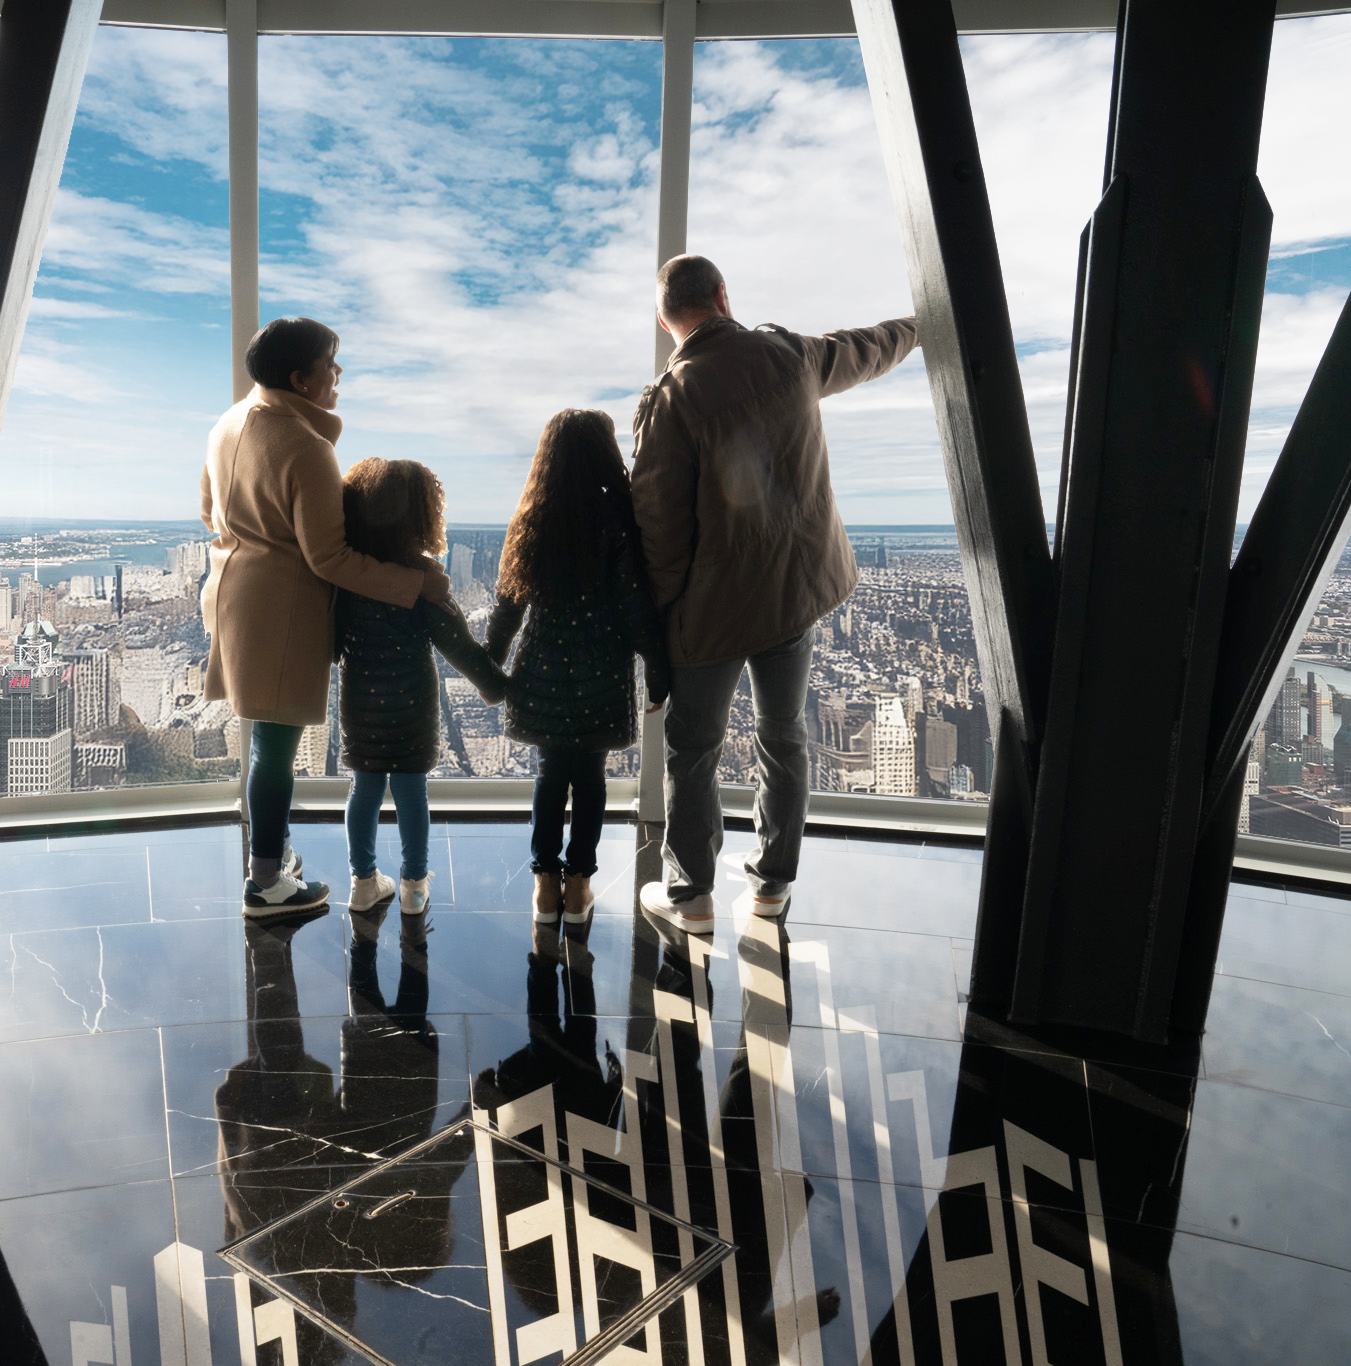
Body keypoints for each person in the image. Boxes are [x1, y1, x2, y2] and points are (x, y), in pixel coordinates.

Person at [632, 255, 917, 934]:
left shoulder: (673, 398)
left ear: (667, 320)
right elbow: (868, 349)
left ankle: (691, 895)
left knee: (693, 747)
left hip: (716, 608)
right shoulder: (789, 355)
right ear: (723, 296)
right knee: (783, 734)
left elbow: (660, 530)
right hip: (795, 594)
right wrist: (921, 325)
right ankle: (770, 886)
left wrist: (664, 622)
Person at [201, 317, 453, 916]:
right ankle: (266, 883)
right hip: (281, 614)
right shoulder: (307, 448)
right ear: (301, 379)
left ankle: (274, 851)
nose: (338, 376)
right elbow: (330, 557)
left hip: (233, 596)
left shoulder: (228, 422)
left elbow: (208, 507)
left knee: (265, 742)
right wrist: (414, 583)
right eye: (330, 366)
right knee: (277, 750)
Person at [487, 409, 670, 927]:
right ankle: (580, 883)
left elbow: (507, 605)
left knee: (550, 775)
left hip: (540, 668)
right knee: (589, 778)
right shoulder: (615, 521)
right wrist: (658, 669)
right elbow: (636, 608)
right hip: (599, 671)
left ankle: (545, 884)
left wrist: (490, 668)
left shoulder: (532, 517)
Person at [336, 457, 508, 917]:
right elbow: (459, 644)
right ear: (422, 515)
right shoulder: (422, 579)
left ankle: (362, 881)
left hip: (359, 701)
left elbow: (329, 640)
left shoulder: (348, 577)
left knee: (364, 790)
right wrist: (495, 685)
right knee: (412, 793)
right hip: (413, 703)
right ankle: (414, 887)